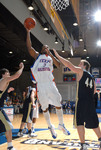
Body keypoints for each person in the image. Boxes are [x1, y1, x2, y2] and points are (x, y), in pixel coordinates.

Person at [24, 24, 70, 139]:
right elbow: (29, 48)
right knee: (44, 108)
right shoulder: (37, 56)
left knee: (58, 104)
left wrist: (52, 55)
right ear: (41, 49)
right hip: (40, 86)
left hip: (50, 84)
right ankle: (50, 127)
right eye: (45, 47)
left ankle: (61, 124)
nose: (46, 49)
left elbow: (58, 65)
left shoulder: (50, 59)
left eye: (48, 48)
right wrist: (28, 32)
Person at [52, 49, 101, 149]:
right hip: (90, 103)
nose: (79, 65)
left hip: (81, 102)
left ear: (84, 67)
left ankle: (83, 145)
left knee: (79, 123)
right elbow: (95, 91)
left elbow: (69, 65)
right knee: (94, 123)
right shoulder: (92, 78)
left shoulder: (81, 71)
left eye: (80, 64)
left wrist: (58, 56)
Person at [0, 62, 24, 150]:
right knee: (8, 126)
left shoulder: (2, 82)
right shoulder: (4, 80)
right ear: (3, 75)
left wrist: (8, 91)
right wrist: (21, 68)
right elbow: (16, 76)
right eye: (7, 73)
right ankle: (10, 147)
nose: (9, 74)